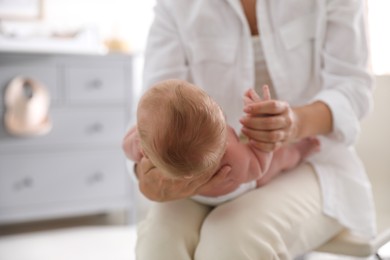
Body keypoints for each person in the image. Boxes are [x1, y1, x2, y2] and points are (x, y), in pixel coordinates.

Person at [124, 0, 376, 259]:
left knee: (231, 243)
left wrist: (295, 123)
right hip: (194, 166)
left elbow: (353, 90)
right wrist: (147, 172)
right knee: (160, 243)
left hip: (316, 164)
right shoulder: (176, 6)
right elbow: (154, 106)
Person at [124, 79, 320, 206]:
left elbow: (126, 146)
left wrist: (136, 139)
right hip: (231, 193)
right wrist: (261, 140)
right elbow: (258, 166)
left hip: (187, 196)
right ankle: (302, 150)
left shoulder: (145, 149)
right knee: (279, 159)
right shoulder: (232, 156)